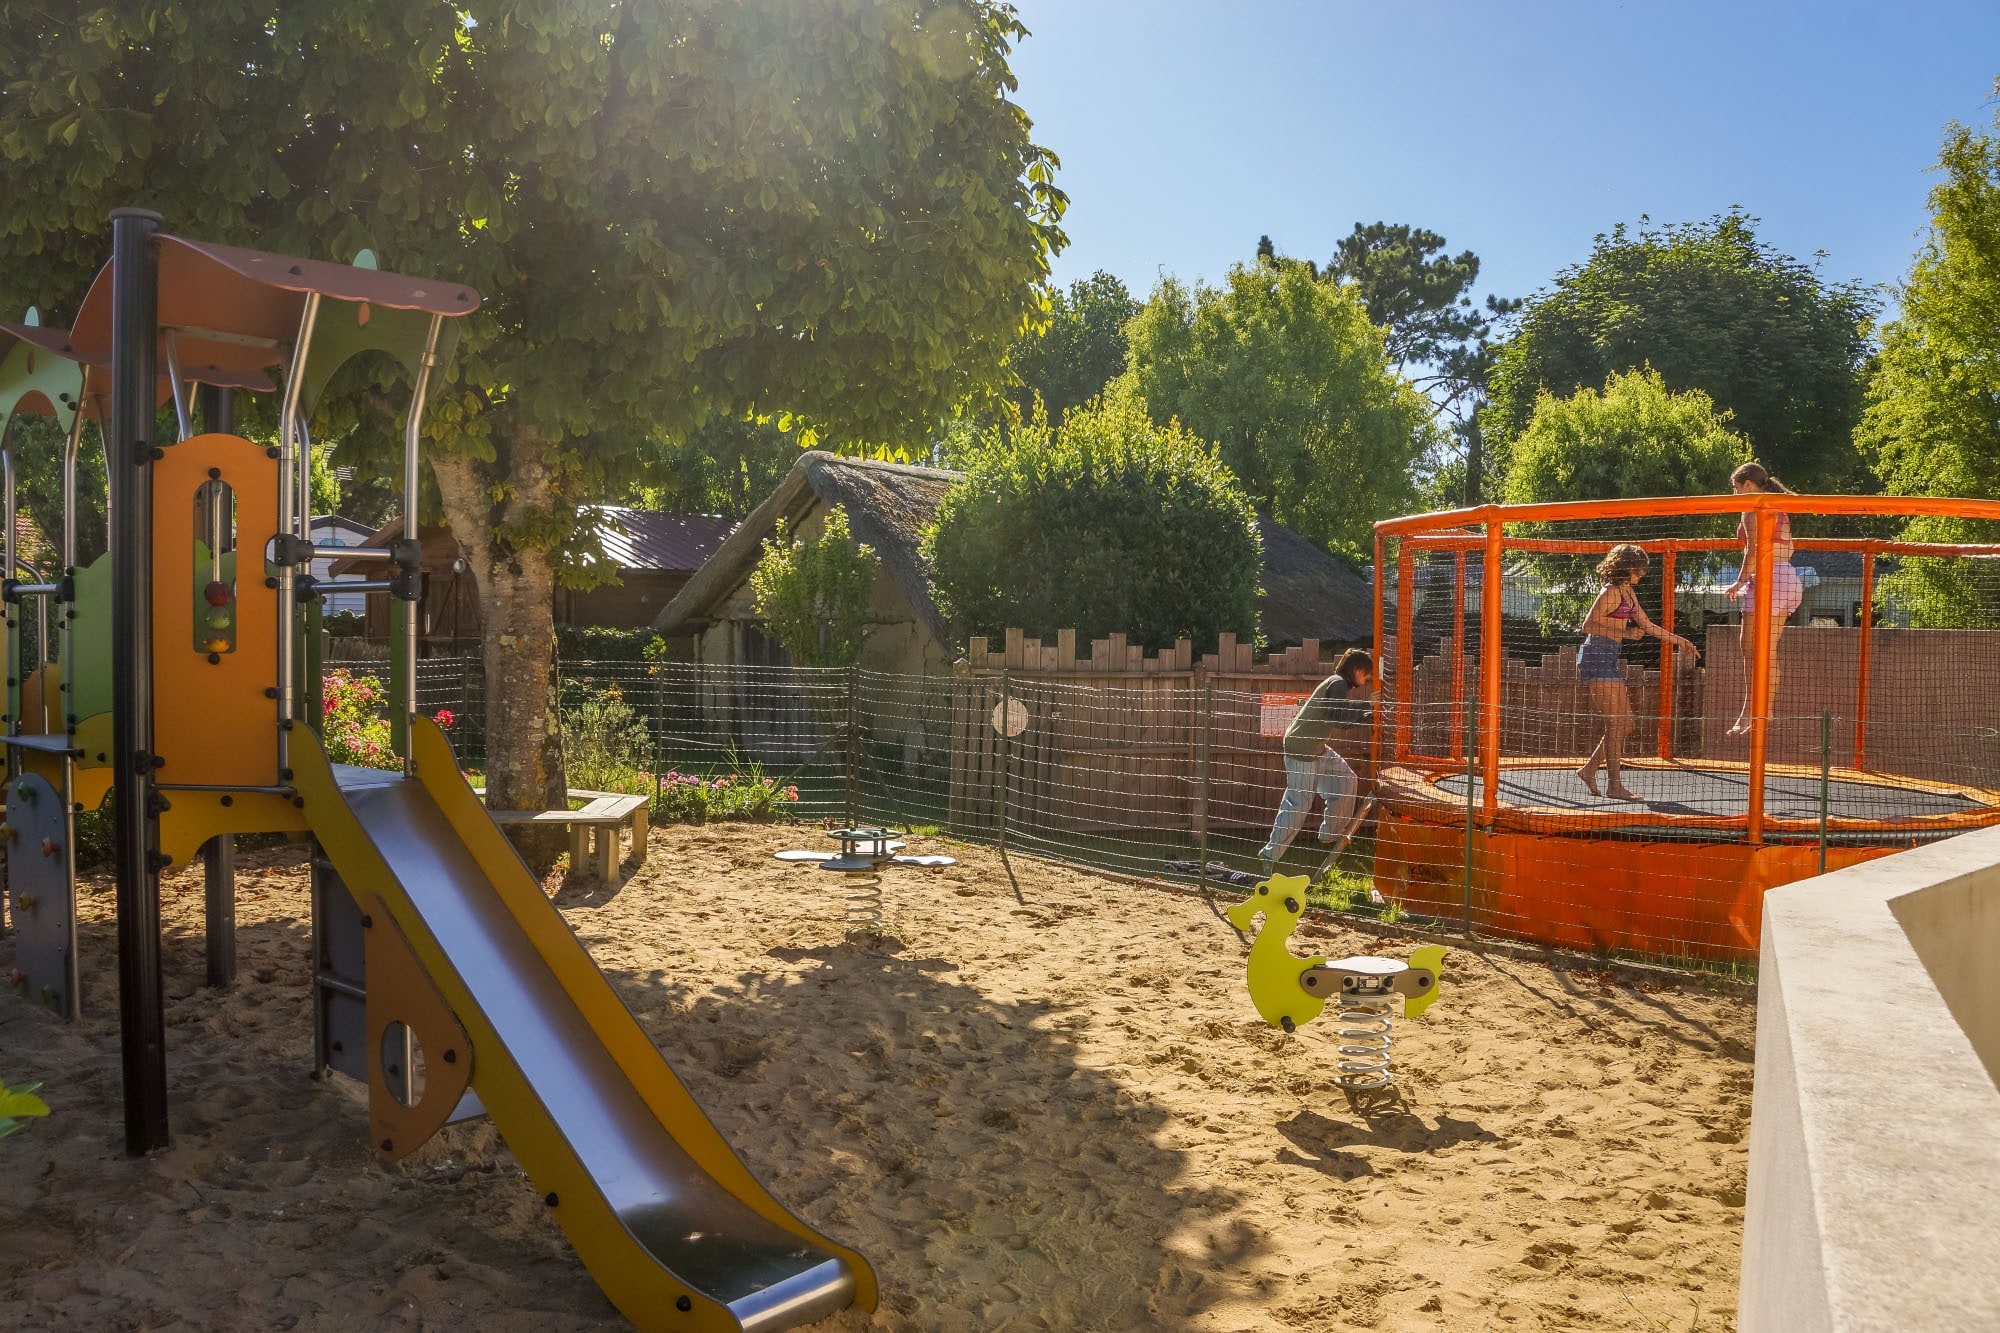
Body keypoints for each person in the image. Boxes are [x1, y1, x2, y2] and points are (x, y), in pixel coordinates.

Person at [1576, 544, 1699, 801]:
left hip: (1608, 658)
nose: (1642, 573)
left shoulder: (1628, 592)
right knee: (1616, 722)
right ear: (1627, 566)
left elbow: (1648, 625)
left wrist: (1679, 640)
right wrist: (1625, 634)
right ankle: (1614, 786)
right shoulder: (1610, 592)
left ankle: (1589, 770)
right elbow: (1587, 624)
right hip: (1596, 657)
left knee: (1626, 722)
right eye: (1639, 568)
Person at [1259, 649, 1375, 866]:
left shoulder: (1338, 684)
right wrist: (1367, 706)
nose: (1367, 679)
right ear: (1357, 669)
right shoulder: (1338, 683)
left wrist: (1371, 716)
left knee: (1347, 780)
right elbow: (1339, 718)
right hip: (1302, 749)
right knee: (1298, 804)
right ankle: (1270, 854)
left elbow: (1341, 718)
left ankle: (1330, 833)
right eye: (1366, 674)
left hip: (1317, 748)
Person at [1721, 462, 1803, 737]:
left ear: (1747, 484)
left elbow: (1754, 549)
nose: (1735, 495)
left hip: (1770, 579)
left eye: (1735, 488)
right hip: (1789, 577)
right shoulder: (1776, 504)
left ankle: (1750, 710)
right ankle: (1763, 710)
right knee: (1766, 651)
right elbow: (1787, 546)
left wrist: (1741, 580)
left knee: (1750, 650)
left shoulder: (1753, 507)